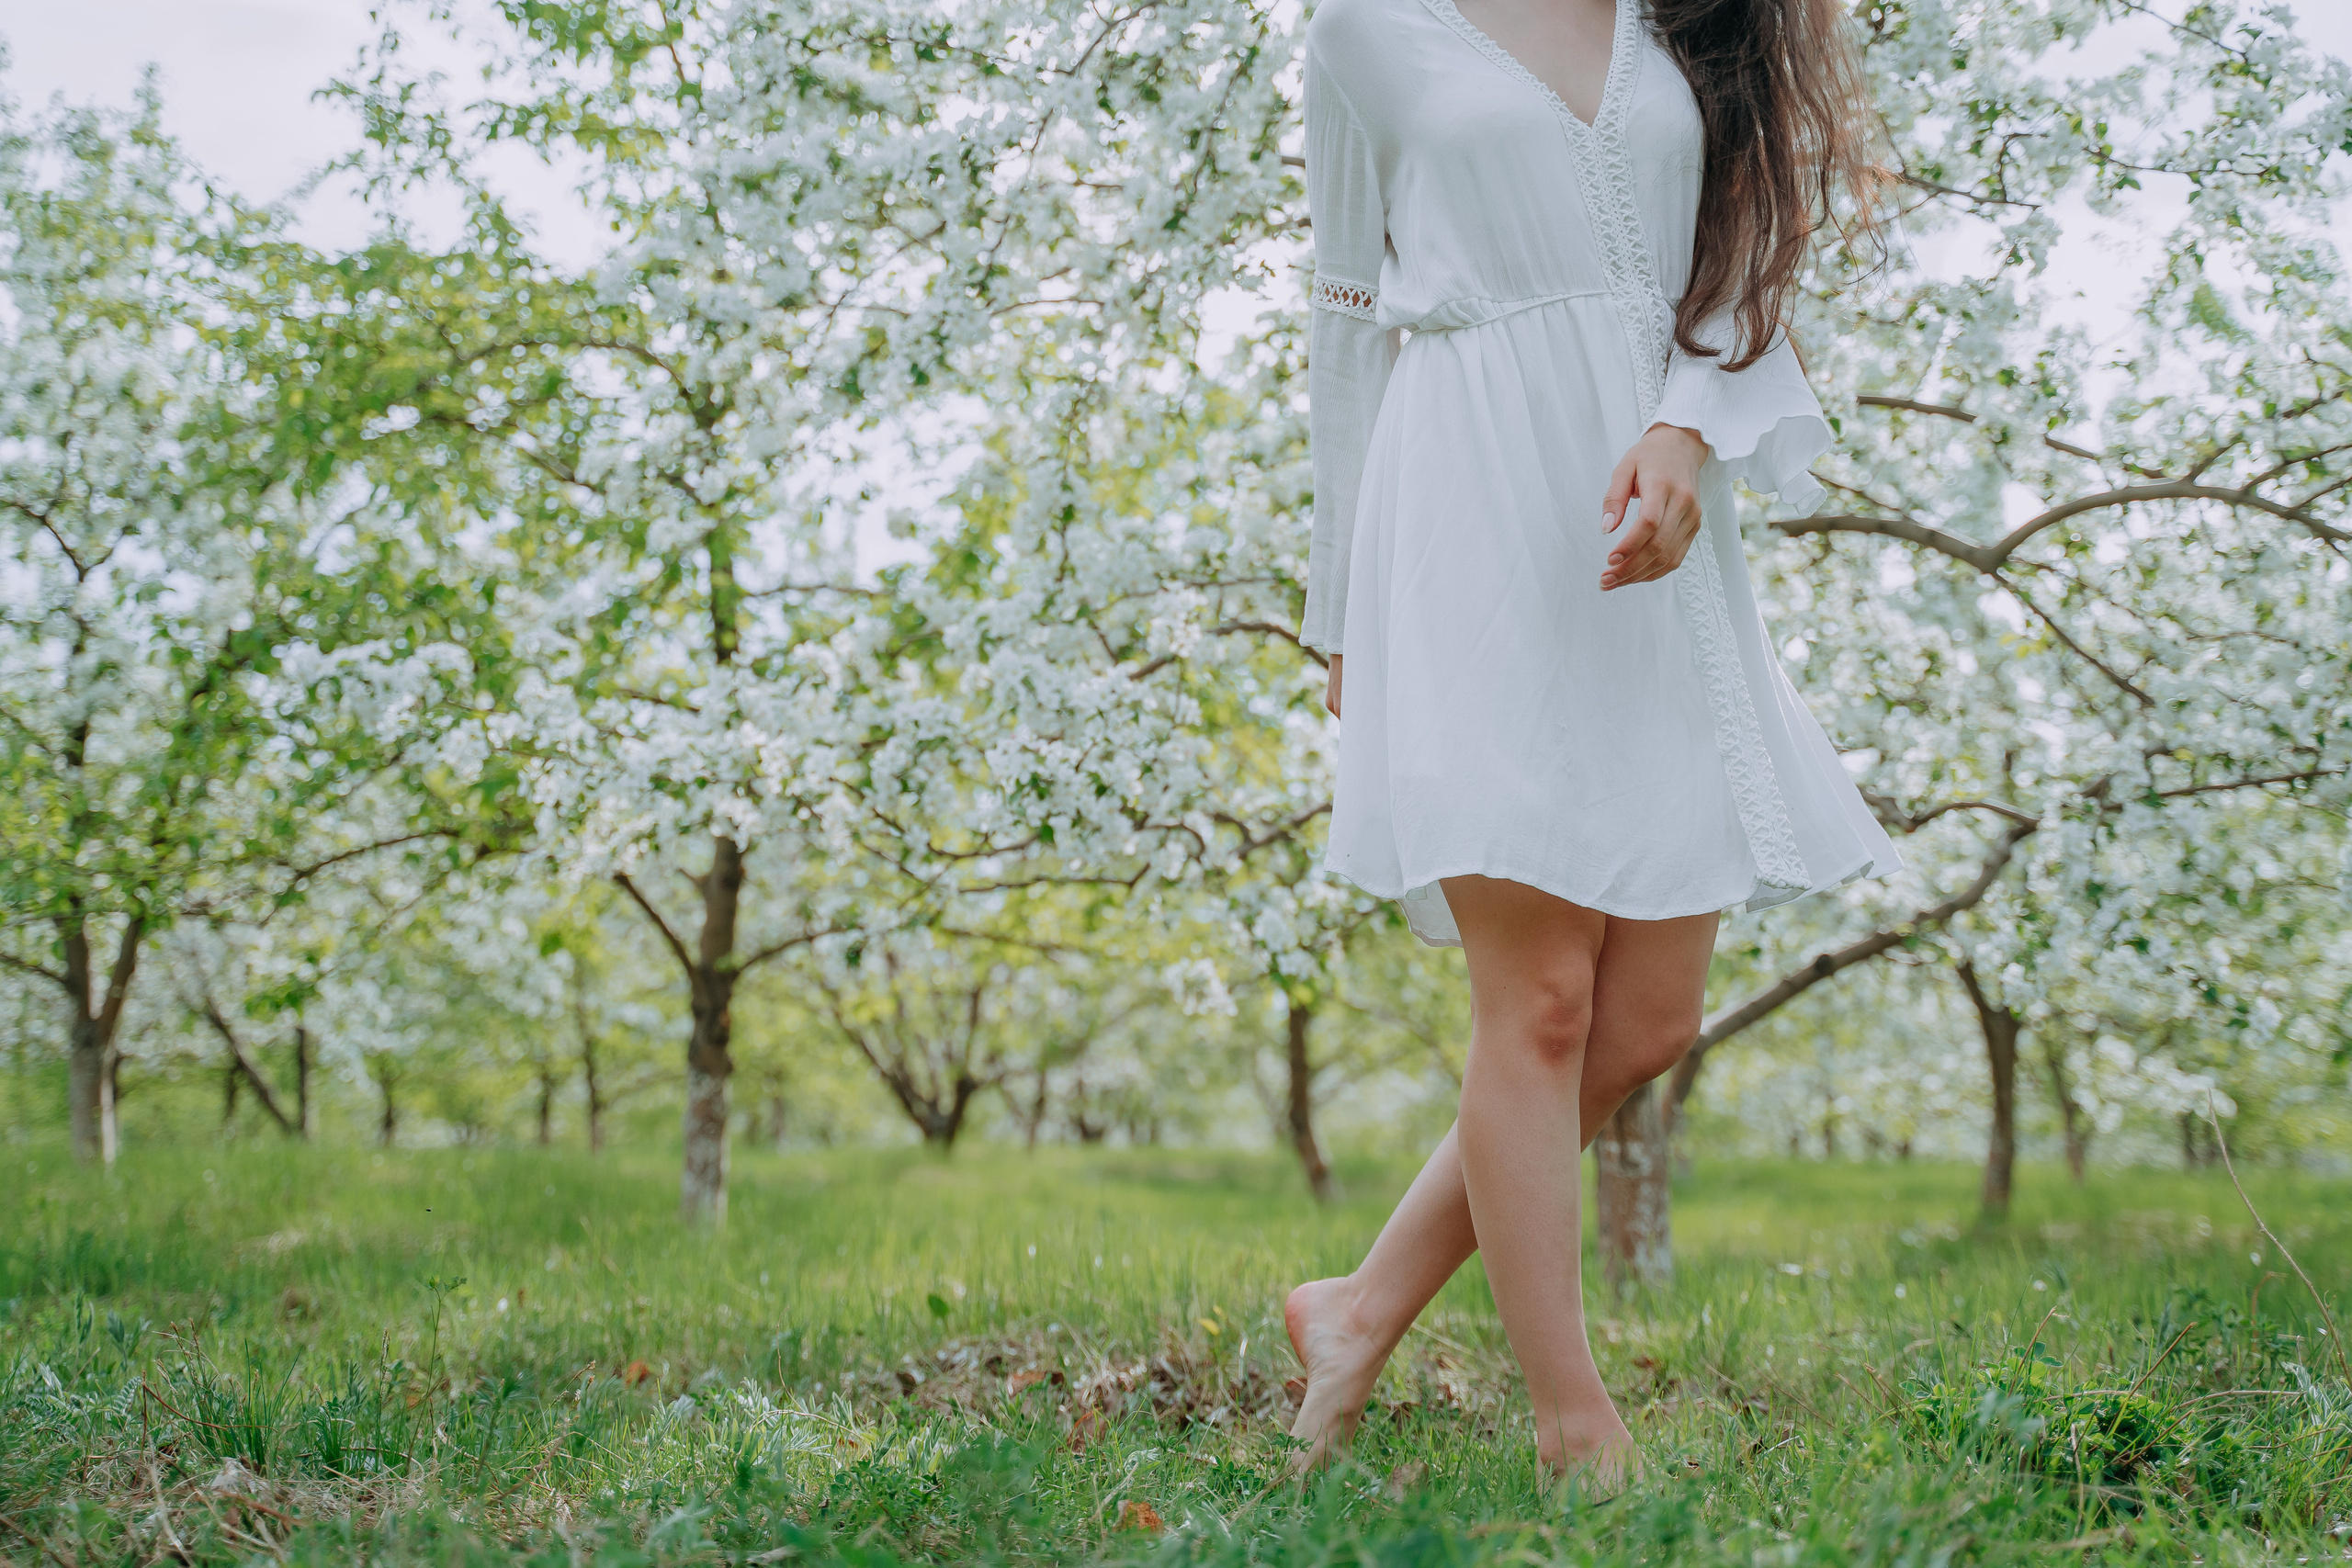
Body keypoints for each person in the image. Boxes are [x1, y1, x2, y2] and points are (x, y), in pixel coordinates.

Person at [1287, 0, 1902, 1483]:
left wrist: (1691, 430)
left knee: (1641, 1027)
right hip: (1464, 506)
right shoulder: (1366, 27)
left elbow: (1744, 247)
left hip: (1649, 527)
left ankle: (1358, 1307)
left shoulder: (1692, 13)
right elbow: (1345, 309)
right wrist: (1338, 609)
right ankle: (1576, 1429)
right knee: (1544, 1004)